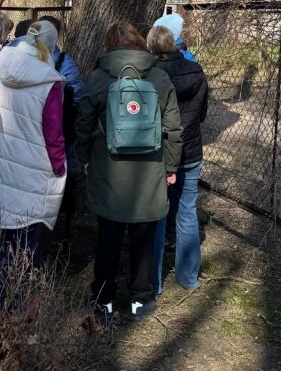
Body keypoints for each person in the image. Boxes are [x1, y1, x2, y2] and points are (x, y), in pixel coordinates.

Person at [76, 21, 181, 323]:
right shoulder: (159, 78)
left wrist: (84, 158)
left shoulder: (98, 78)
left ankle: (104, 300)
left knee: (107, 237)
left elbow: (83, 124)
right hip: (149, 172)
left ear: (109, 46)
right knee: (144, 237)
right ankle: (140, 300)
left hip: (109, 170)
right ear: (139, 43)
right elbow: (173, 128)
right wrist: (171, 166)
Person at [0, 20, 66, 313]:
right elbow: (53, 134)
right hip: (32, 171)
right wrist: (59, 168)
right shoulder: (49, 80)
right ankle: (14, 313)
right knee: (24, 247)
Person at [148, 24, 209, 293]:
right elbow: (202, 113)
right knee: (187, 212)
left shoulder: (151, 76)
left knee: (157, 214)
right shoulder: (197, 72)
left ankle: (154, 282)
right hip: (191, 151)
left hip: (160, 153)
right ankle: (188, 277)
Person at [37, 15, 84, 238]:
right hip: (61, 129)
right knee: (64, 177)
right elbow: (78, 95)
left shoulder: (27, 60)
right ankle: (61, 226)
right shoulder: (65, 62)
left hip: (43, 130)